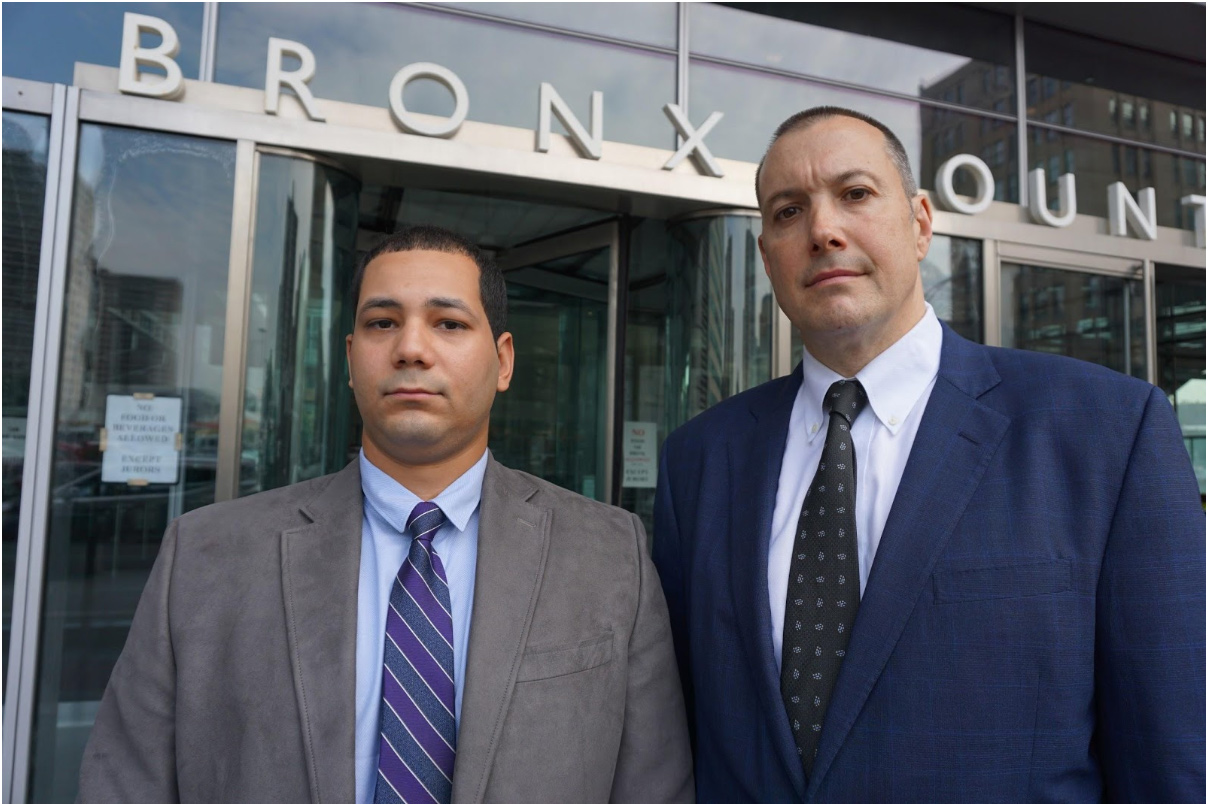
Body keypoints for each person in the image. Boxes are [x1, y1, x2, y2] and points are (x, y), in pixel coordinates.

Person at [652, 107, 1204, 803]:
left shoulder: (1105, 434)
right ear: (767, 257)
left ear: (919, 224)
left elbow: (1172, 756)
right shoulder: (699, 462)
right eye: (788, 211)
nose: (823, 230)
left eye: (855, 194)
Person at [79, 225, 693, 803]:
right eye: (382, 322)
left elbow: (654, 786)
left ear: (503, 361)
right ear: (350, 358)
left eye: (449, 323)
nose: (411, 349)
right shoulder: (205, 555)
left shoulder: (608, 554)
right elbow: (126, 783)